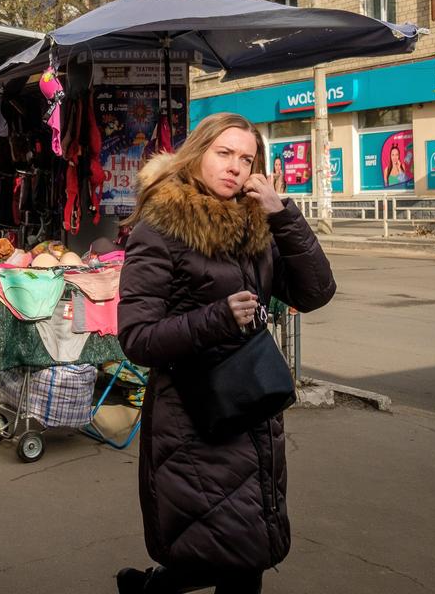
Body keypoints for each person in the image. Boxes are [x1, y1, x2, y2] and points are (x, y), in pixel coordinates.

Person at [115, 113, 336, 594]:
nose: (235, 167)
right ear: (196, 154)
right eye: (224, 153)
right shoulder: (160, 226)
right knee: (236, 550)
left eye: (246, 158)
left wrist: (283, 214)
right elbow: (136, 337)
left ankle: (150, 588)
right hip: (195, 419)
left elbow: (316, 291)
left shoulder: (255, 223)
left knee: (241, 545)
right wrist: (217, 318)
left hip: (253, 406)